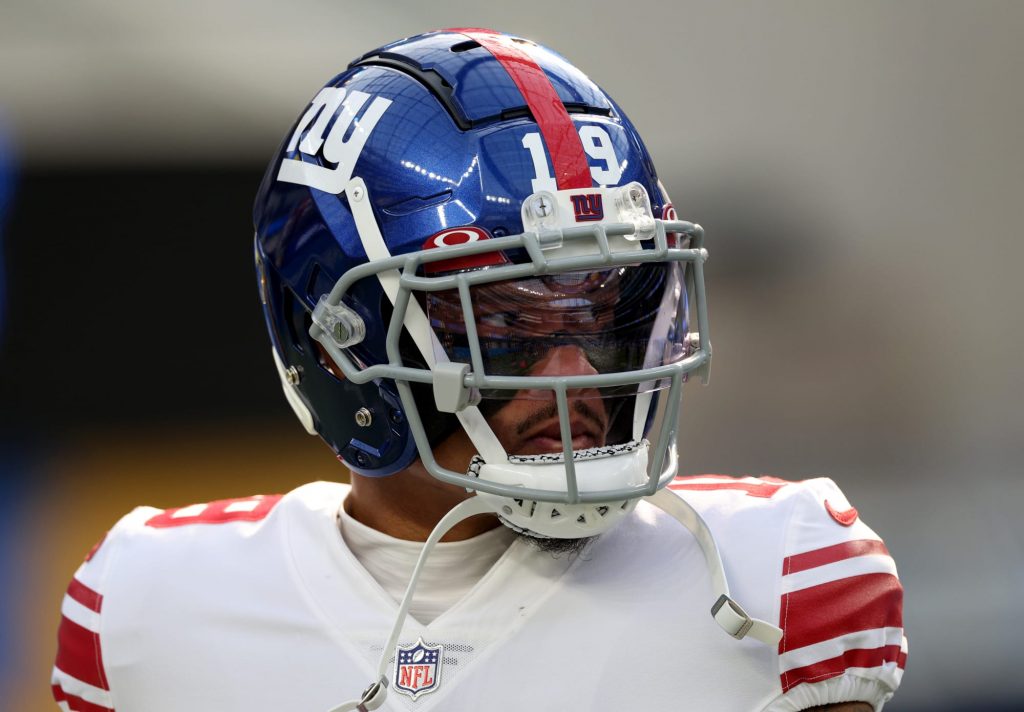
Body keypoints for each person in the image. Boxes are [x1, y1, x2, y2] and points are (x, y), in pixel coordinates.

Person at [51, 28, 906, 712]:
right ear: (339, 345)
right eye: (504, 324)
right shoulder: (146, 609)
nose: (573, 373)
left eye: (602, 313)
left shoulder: (784, 576)